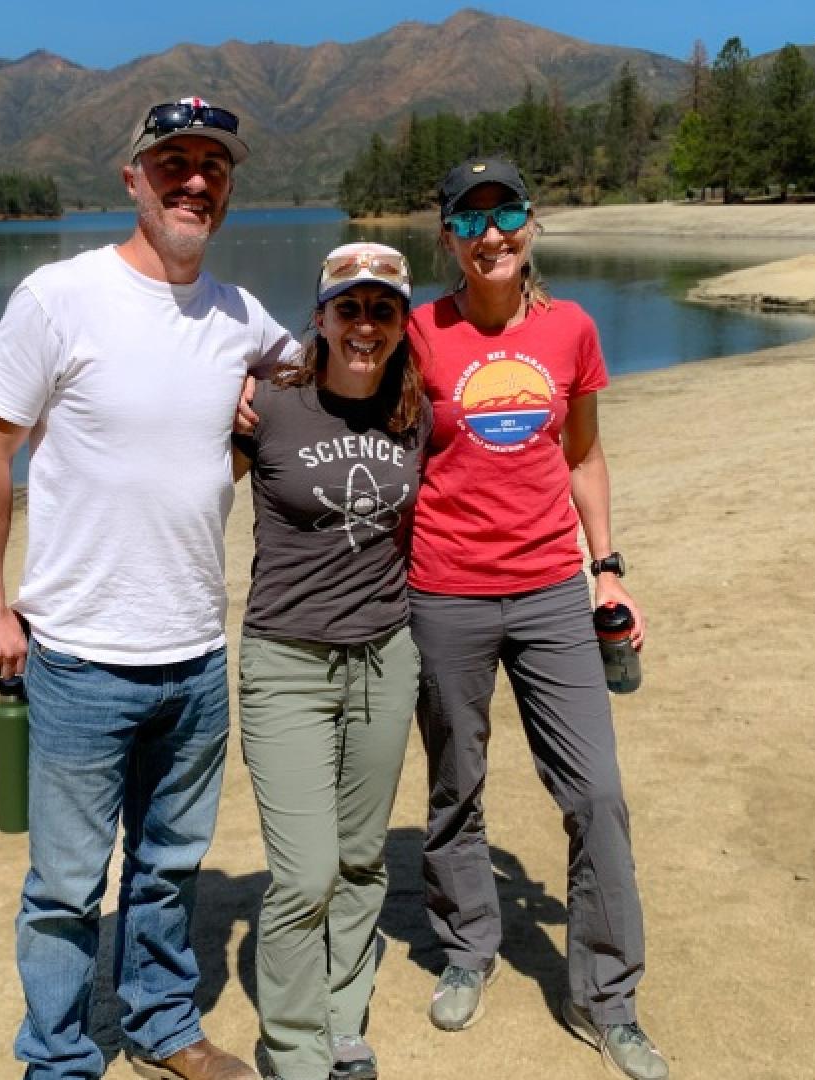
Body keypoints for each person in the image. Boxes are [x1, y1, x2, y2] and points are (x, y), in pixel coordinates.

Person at [0, 97, 291, 1080]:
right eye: (173, 162)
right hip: (78, 657)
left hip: (194, 652)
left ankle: (159, 1026)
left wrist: (261, 408)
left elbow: (310, 371)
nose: (195, 180)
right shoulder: (60, 297)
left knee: (169, 866)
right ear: (133, 180)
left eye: (214, 166)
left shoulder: (238, 315)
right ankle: (59, 1059)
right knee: (65, 886)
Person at [407, 158, 669, 1080]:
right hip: (443, 591)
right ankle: (468, 948)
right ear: (445, 237)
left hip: (555, 590)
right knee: (456, 786)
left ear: (531, 224)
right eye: (470, 219)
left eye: (507, 214)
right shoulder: (413, 333)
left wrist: (608, 572)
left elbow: (583, 457)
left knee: (596, 793)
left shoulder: (572, 331)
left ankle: (607, 998)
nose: (492, 235)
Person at [231, 243, 429, 1080]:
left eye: (383, 310)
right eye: (349, 307)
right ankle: (293, 1045)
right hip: (286, 663)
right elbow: (180, 483)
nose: (365, 325)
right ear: (319, 317)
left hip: (386, 657)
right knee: (303, 872)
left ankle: (344, 1016)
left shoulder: (413, 409)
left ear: (400, 324)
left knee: (360, 857)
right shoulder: (269, 405)